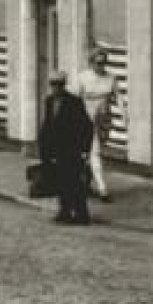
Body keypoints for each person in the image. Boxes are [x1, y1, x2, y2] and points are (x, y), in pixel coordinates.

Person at [39, 73, 94, 225]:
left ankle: (81, 214)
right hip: (56, 149)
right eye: (53, 84)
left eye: (59, 84)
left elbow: (86, 126)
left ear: (64, 85)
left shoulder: (74, 102)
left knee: (75, 182)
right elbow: (48, 125)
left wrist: (85, 149)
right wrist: (44, 147)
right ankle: (64, 212)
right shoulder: (49, 101)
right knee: (61, 182)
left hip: (72, 149)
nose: (56, 88)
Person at [70, 49, 116, 201]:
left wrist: (125, 116)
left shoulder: (111, 78)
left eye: (104, 62)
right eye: (98, 63)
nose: (101, 66)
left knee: (94, 153)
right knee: (94, 152)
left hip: (104, 119)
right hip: (86, 120)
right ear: (91, 63)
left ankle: (84, 184)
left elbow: (118, 97)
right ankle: (103, 189)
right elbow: (74, 100)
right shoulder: (83, 78)